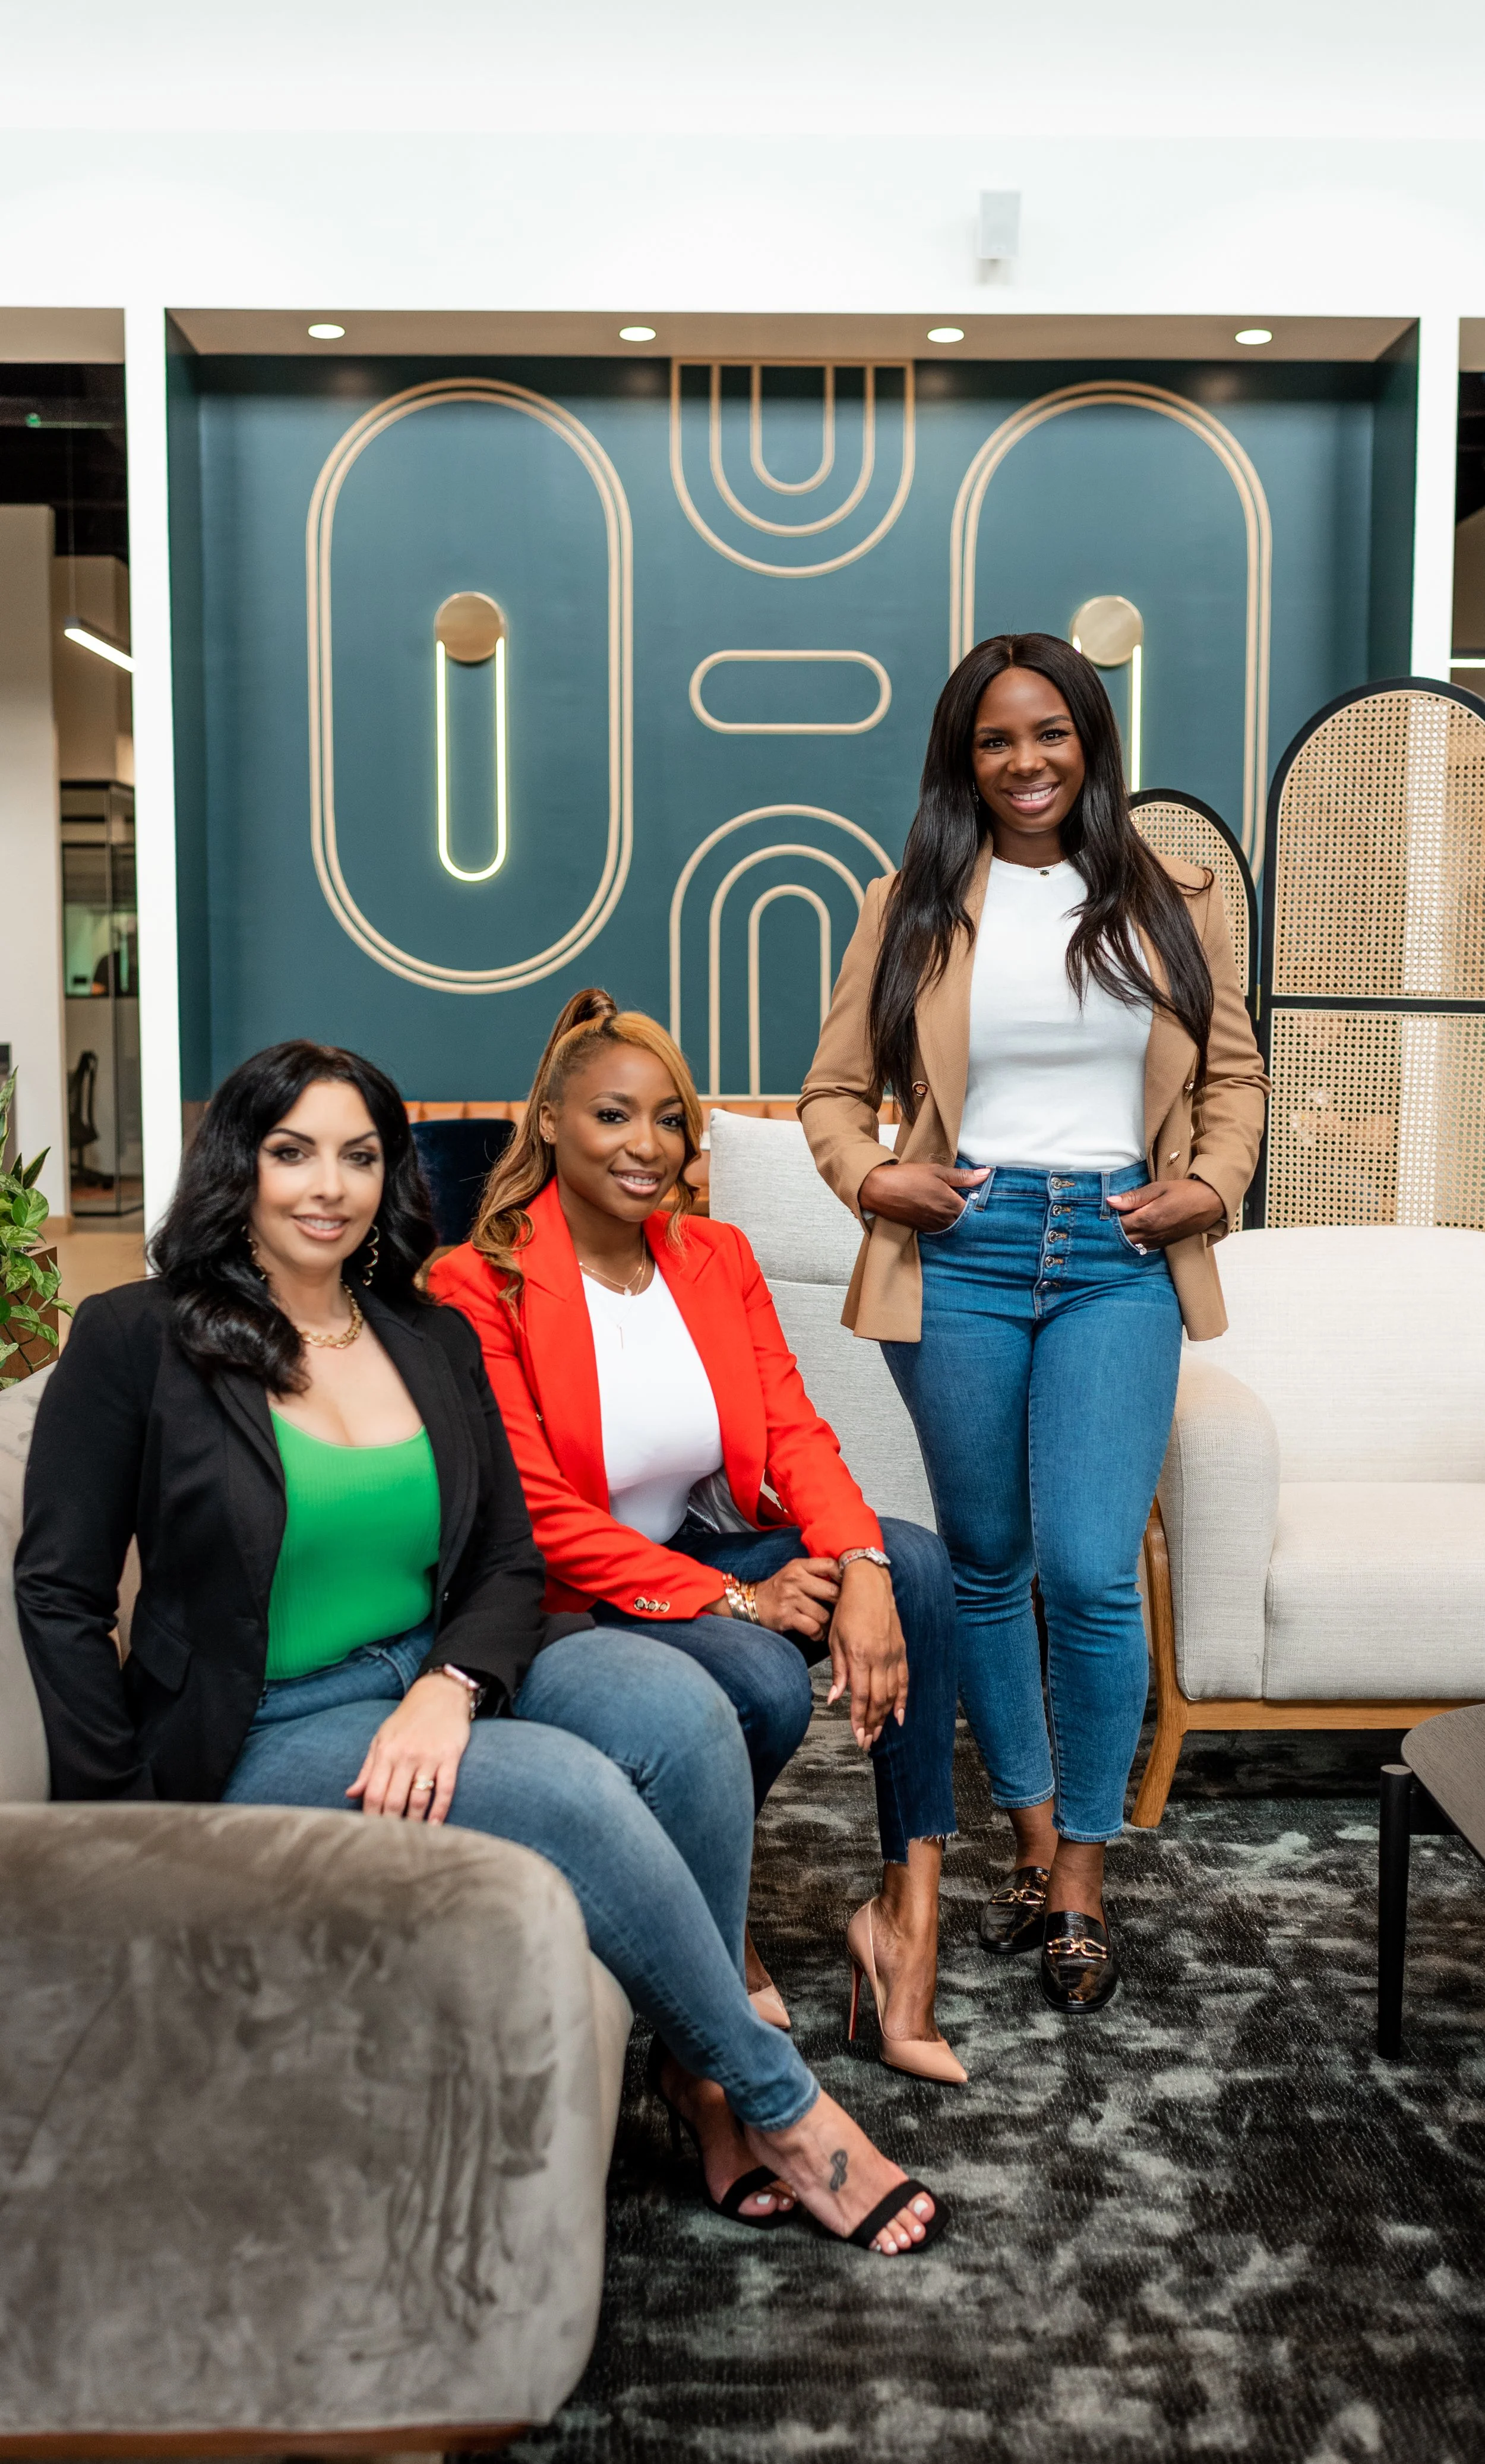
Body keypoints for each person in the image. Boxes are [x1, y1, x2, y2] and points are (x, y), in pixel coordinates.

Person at [14, 1039, 944, 2258]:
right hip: (270, 1725)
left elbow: (507, 1560)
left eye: (359, 1155)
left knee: (683, 1719)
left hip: (443, 1667)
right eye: (292, 1152)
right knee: (570, 1789)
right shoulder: (138, 1338)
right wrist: (118, 1828)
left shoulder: (418, 1330)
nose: (327, 1187)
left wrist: (453, 1686)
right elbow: (59, 1595)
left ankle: (697, 2076)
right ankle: (782, 2109)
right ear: (238, 1165)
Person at [800, 633, 1268, 2014]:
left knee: (1087, 1566)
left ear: (1089, 742)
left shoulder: (1171, 898)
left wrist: (1210, 1182)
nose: (1025, 763)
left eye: (1050, 734)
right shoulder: (911, 905)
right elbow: (833, 1092)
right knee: (989, 1561)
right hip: (963, 1253)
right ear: (963, 757)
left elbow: (1231, 1076)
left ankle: (1080, 1872)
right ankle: (1021, 1833)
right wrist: (871, 1173)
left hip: (1119, 1250)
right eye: (995, 740)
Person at [430, 993, 965, 2083]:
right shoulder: (475, 1278)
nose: (647, 1147)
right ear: (548, 1122)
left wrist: (857, 1566)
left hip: (685, 1554)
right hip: (562, 1604)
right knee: (764, 1680)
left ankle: (908, 1921)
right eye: (615, 1117)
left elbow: (793, 1427)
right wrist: (742, 1601)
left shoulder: (712, 1254)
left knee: (912, 1562)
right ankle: (709, 1920)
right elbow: (533, 1514)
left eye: (670, 1120)